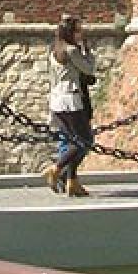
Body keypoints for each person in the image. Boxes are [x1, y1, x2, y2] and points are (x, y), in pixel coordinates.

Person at [44, 15, 97, 196]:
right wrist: (87, 51)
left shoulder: (54, 49)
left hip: (57, 99)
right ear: (71, 33)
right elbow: (89, 68)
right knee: (85, 140)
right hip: (71, 100)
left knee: (73, 140)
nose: (81, 34)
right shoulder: (72, 50)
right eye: (78, 31)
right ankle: (57, 169)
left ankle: (71, 180)